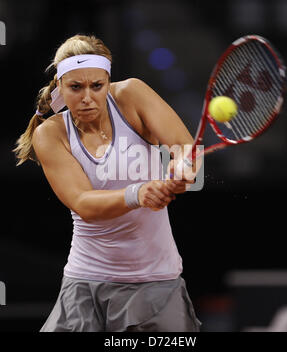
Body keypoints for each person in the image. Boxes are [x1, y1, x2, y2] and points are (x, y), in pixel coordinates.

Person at [13, 34, 202, 332]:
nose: (87, 96)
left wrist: (184, 172)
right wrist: (138, 193)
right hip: (85, 282)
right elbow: (83, 204)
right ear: (59, 86)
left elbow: (186, 151)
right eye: (75, 87)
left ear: (108, 82)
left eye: (97, 86)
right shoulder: (50, 133)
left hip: (154, 283)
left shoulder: (133, 94)